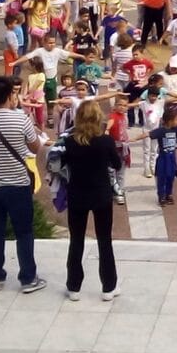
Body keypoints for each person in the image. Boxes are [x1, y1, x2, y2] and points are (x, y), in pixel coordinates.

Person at [0, 75, 48, 293]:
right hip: (17, 184)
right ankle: (27, 278)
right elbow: (34, 148)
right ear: (9, 96)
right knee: (23, 232)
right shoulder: (21, 119)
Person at [61, 99, 122, 301]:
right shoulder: (105, 141)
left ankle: (74, 286)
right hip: (101, 194)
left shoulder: (70, 141)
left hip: (77, 194)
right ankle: (108, 286)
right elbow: (117, 163)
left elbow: (61, 163)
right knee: (105, 241)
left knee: (76, 240)